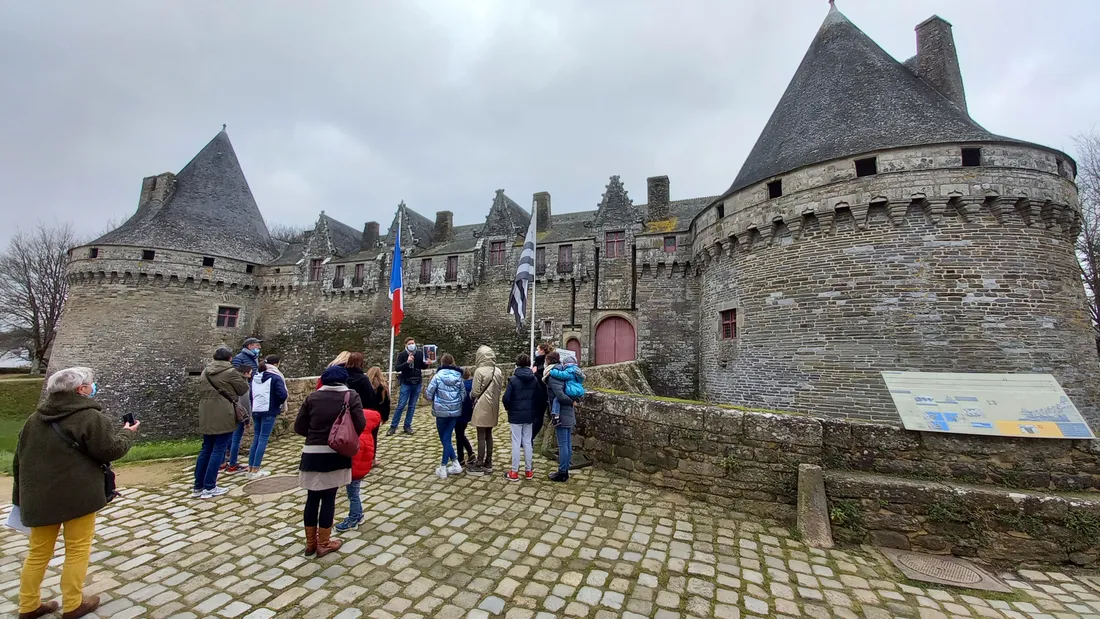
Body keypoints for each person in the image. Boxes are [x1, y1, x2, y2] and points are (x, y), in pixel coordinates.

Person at [13, 367, 138, 619]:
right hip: (77, 496)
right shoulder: (89, 417)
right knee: (77, 549)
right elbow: (109, 450)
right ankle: (72, 604)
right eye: (90, 384)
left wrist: (20, 497)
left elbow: (19, 460)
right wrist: (127, 433)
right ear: (81, 390)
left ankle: (28, 605)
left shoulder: (34, 419)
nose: (93, 387)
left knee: (37, 553)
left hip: (39, 496)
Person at [295, 366, 366, 557]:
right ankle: (324, 543)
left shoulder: (312, 398)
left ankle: (310, 543)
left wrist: (315, 435)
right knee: (328, 498)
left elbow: (299, 426)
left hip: (311, 452)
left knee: (312, 498)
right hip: (336, 453)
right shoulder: (351, 397)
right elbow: (360, 424)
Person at [196, 347, 251, 498]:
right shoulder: (230, 372)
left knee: (206, 448)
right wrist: (243, 377)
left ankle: (198, 486)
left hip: (206, 412)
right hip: (223, 412)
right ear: (229, 359)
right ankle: (209, 487)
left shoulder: (205, 371)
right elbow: (243, 389)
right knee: (219, 449)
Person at [334, 399, 381, 532]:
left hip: (355, 472)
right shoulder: (367, 435)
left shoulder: (359, 438)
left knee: (353, 495)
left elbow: (355, 458)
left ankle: (353, 518)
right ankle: (359, 515)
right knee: (354, 494)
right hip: (359, 470)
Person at [502, 353, 544, 481]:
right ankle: (528, 471)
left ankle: (514, 471)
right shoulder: (534, 379)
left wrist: (509, 408)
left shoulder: (513, 380)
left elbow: (506, 398)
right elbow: (539, 397)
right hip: (529, 415)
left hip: (515, 414)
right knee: (527, 442)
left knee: (516, 442)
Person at [424, 353, 466, 479]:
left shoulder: (437, 376)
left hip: (441, 411)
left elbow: (429, 394)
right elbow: (463, 394)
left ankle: (443, 466)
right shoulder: (459, 376)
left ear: (441, 363)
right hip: (454, 411)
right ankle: (455, 462)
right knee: (447, 437)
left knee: (445, 438)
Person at [247, 359, 288, 478]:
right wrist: (277, 404)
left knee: (256, 438)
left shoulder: (255, 377)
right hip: (269, 410)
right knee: (263, 439)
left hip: (256, 409)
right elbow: (283, 394)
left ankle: (250, 467)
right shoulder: (275, 377)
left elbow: (251, 394)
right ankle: (256, 469)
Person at [468, 345, 504, 475]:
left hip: (481, 405)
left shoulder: (480, 371)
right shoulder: (498, 371)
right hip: (493, 405)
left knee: (481, 435)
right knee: (489, 434)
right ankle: (488, 461)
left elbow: (476, 391)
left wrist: (471, 396)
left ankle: (479, 462)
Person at [544, 351, 576, 482]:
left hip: (562, 412)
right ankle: (565, 469)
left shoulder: (554, 375)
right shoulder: (564, 371)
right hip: (568, 411)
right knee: (567, 443)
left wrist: (570, 401)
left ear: (549, 361)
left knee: (563, 444)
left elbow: (560, 395)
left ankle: (563, 472)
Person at [390, 337, 432, 435]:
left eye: (413, 343)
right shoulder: (402, 355)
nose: (412, 345)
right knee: (401, 405)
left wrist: (427, 364)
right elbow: (397, 368)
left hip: (417, 382)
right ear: (406, 345)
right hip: (406, 383)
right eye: (410, 343)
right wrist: (407, 362)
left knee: (412, 406)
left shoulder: (419, 353)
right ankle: (393, 426)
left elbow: (422, 366)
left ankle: (407, 426)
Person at [223, 364, 254, 474]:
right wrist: (247, 419)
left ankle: (222, 463)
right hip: (239, 415)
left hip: (228, 413)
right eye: (250, 372)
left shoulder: (229, 381)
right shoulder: (242, 384)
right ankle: (232, 464)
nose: (251, 374)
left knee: (226, 439)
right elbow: (245, 403)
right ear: (245, 373)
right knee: (236, 440)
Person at [365, 366, 391, 463]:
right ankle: (372, 459)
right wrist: (385, 417)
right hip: (376, 415)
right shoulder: (383, 387)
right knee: (373, 437)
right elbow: (386, 404)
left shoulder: (365, 385)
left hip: (365, 413)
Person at [547, 355, 585, 421]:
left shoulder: (570, 370)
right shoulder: (577, 371)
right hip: (578, 390)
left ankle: (555, 414)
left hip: (571, 390)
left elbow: (562, 375)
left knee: (556, 399)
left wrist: (552, 372)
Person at [531, 342, 555, 440]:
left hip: (543, 393)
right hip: (535, 391)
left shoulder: (546, 363)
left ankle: (530, 437)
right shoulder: (538, 361)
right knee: (535, 415)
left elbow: (545, 380)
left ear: (542, 350)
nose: (536, 351)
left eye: (538, 349)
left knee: (538, 416)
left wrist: (535, 373)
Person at [455, 367, 475, 467]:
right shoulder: (473, 386)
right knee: (460, 434)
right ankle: (469, 454)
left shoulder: (460, 387)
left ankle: (461, 458)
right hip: (468, 414)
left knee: (459, 436)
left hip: (459, 414)